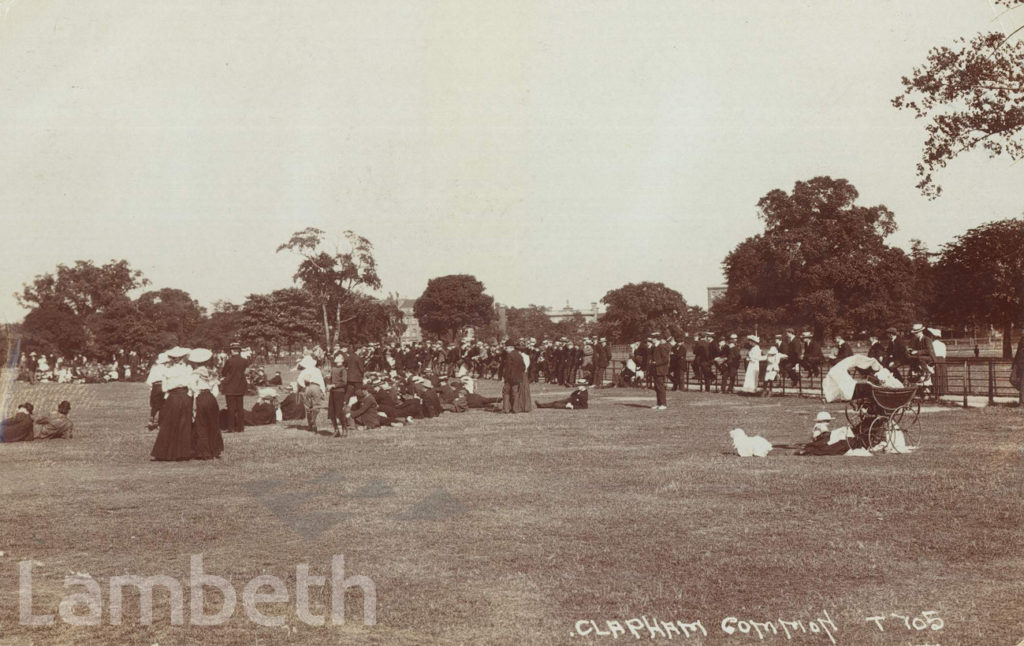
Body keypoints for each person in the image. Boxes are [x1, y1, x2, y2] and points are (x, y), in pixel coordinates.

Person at [151, 347, 195, 461]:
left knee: (169, 423)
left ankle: (166, 453)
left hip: (173, 396)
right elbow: (191, 385)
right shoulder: (188, 369)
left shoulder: (167, 370)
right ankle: (183, 453)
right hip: (185, 396)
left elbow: (165, 388)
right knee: (184, 423)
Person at [189, 350, 223, 460]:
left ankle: (204, 452)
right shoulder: (212, 372)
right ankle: (215, 450)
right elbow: (216, 389)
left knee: (202, 424)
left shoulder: (195, 373)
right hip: (211, 398)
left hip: (201, 397)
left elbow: (192, 387)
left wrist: (197, 395)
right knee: (213, 423)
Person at [220, 342, 249, 433]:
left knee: (231, 408)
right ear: (239, 350)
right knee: (240, 408)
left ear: (232, 350)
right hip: (240, 385)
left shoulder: (229, 361)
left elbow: (223, 373)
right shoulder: (244, 361)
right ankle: (241, 427)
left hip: (230, 387)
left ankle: (231, 427)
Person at [297, 355, 327, 434]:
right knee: (316, 406)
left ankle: (310, 425)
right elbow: (321, 381)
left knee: (308, 407)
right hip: (316, 387)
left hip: (308, 387)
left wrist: (304, 386)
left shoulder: (304, 371)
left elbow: (299, 380)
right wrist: (323, 390)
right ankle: (313, 420)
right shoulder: (317, 370)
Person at [501, 341, 526, 414]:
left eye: (506, 347)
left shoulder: (509, 355)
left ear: (510, 347)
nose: (505, 349)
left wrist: (504, 377)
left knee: (506, 392)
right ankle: (515, 409)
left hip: (509, 378)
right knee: (515, 393)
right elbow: (523, 367)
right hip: (517, 377)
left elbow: (508, 368)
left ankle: (506, 409)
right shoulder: (519, 355)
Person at [145, 352, 168, 430]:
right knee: (163, 405)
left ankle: (152, 417)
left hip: (155, 386)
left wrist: (151, 388)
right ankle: (160, 424)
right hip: (163, 386)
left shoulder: (154, 367)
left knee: (155, 404)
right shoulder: (166, 368)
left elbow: (149, 380)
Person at [649, 332, 670, 410]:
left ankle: (663, 404)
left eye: (653, 338)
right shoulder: (654, 347)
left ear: (656, 339)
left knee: (660, 387)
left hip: (660, 370)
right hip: (655, 370)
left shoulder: (661, 347)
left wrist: (656, 363)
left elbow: (666, 359)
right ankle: (658, 403)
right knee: (657, 387)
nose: (651, 339)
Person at [1011, 335, 1024, 407]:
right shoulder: (1022, 338)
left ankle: (1022, 403)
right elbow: (1018, 351)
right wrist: (1014, 365)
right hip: (1019, 364)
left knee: (1022, 384)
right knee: (1012, 379)